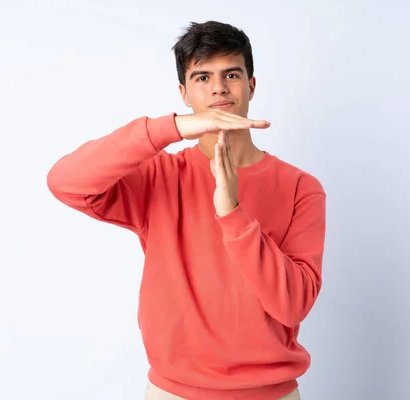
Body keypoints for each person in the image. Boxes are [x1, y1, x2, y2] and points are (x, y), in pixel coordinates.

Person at [47, 20, 326, 400]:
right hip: (174, 393)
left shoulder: (301, 188)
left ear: (252, 85)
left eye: (231, 74)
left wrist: (232, 214)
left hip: (271, 394)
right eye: (201, 77)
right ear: (183, 93)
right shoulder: (159, 177)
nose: (218, 87)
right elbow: (66, 181)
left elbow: (292, 305)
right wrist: (173, 129)